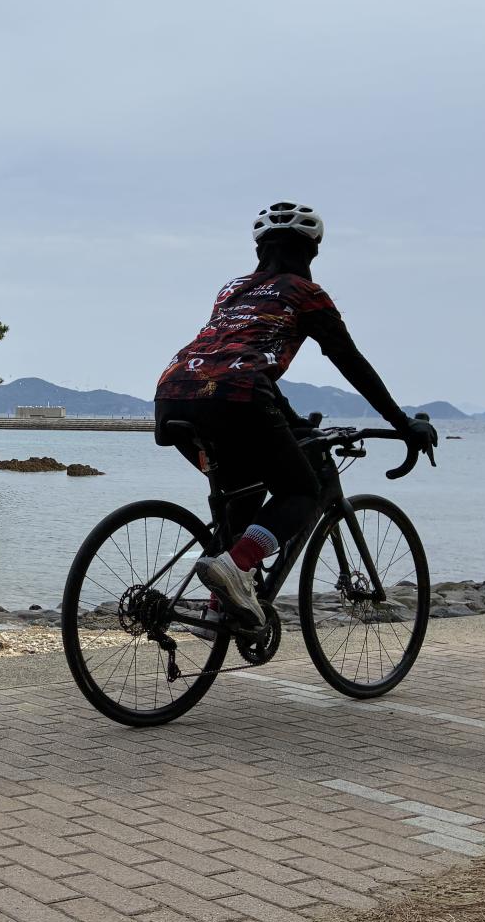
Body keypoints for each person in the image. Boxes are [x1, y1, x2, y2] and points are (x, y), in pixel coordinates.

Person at [153, 201, 436, 636]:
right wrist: (403, 424)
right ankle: (237, 567)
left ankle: (218, 607)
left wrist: (290, 420)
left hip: (173, 394)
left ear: (259, 250)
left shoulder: (232, 289)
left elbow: (236, 358)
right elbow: (350, 362)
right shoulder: (307, 294)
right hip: (237, 398)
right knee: (302, 491)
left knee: (243, 494)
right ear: (312, 252)